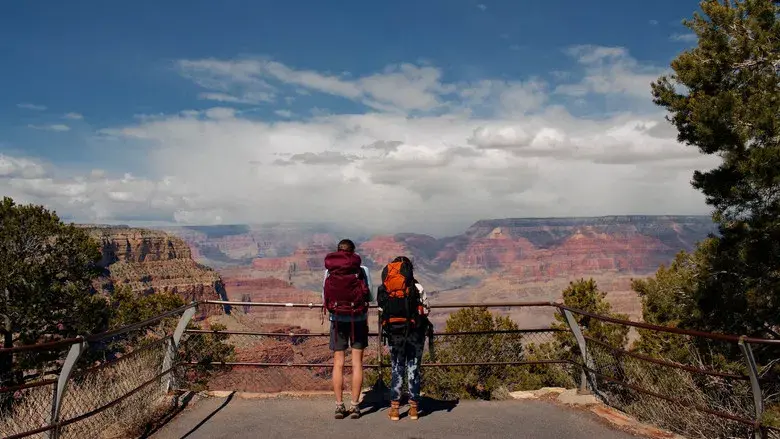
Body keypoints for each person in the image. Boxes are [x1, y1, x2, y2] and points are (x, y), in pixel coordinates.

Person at [322, 239, 374, 419]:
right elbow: (370, 295)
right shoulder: (362, 270)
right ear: (353, 253)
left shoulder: (329, 270)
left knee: (338, 363)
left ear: (337, 252)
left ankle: (339, 406)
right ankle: (355, 405)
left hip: (337, 320)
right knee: (357, 363)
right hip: (358, 319)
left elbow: (325, 295)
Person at [377, 256, 430, 421]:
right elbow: (426, 310)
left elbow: (381, 310)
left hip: (395, 334)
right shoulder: (418, 287)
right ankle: (414, 409)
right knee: (413, 368)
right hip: (415, 333)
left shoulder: (385, 288)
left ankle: (394, 410)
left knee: (397, 368)